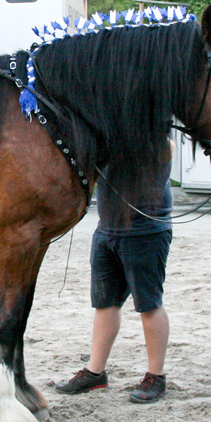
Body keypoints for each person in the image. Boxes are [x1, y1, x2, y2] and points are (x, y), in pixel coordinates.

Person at [54, 142, 175, 403]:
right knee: (105, 304)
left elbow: (164, 149)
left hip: (146, 231)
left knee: (149, 305)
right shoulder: (110, 133)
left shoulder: (157, 137)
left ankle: (156, 376)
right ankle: (95, 372)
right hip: (107, 229)